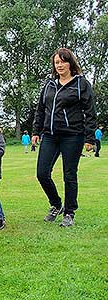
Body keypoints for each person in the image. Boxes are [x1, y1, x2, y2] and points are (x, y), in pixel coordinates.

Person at [32, 48, 96, 227]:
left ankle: (69, 212)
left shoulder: (81, 84)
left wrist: (90, 138)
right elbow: (41, 109)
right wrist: (36, 131)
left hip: (73, 135)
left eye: (63, 61)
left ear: (70, 63)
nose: (59, 65)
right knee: (42, 173)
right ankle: (56, 204)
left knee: (69, 174)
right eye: (56, 62)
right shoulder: (49, 85)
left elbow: (90, 112)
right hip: (50, 135)